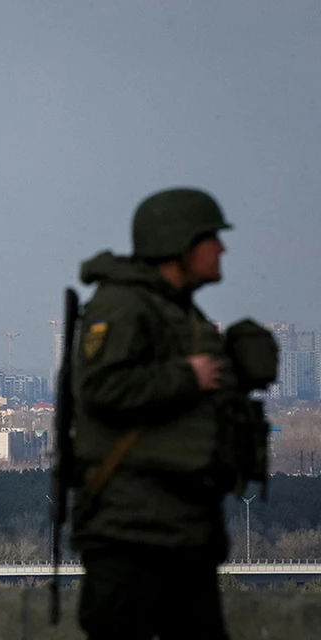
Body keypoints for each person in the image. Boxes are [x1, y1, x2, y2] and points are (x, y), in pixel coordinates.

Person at [70, 187, 253, 639]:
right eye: (211, 237)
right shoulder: (124, 305)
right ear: (180, 244)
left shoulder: (174, 311)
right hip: (131, 531)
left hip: (179, 527)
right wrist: (185, 377)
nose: (222, 249)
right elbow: (100, 387)